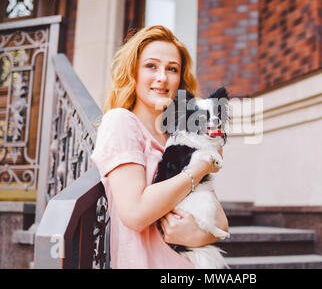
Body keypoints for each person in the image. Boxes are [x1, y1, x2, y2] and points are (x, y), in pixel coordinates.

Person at [90, 25, 228, 269]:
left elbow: (222, 224)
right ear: (133, 72)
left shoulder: (179, 134)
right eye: (151, 66)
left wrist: (199, 234)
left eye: (172, 69)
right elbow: (135, 213)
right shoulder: (120, 122)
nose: (162, 77)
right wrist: (203, 165)